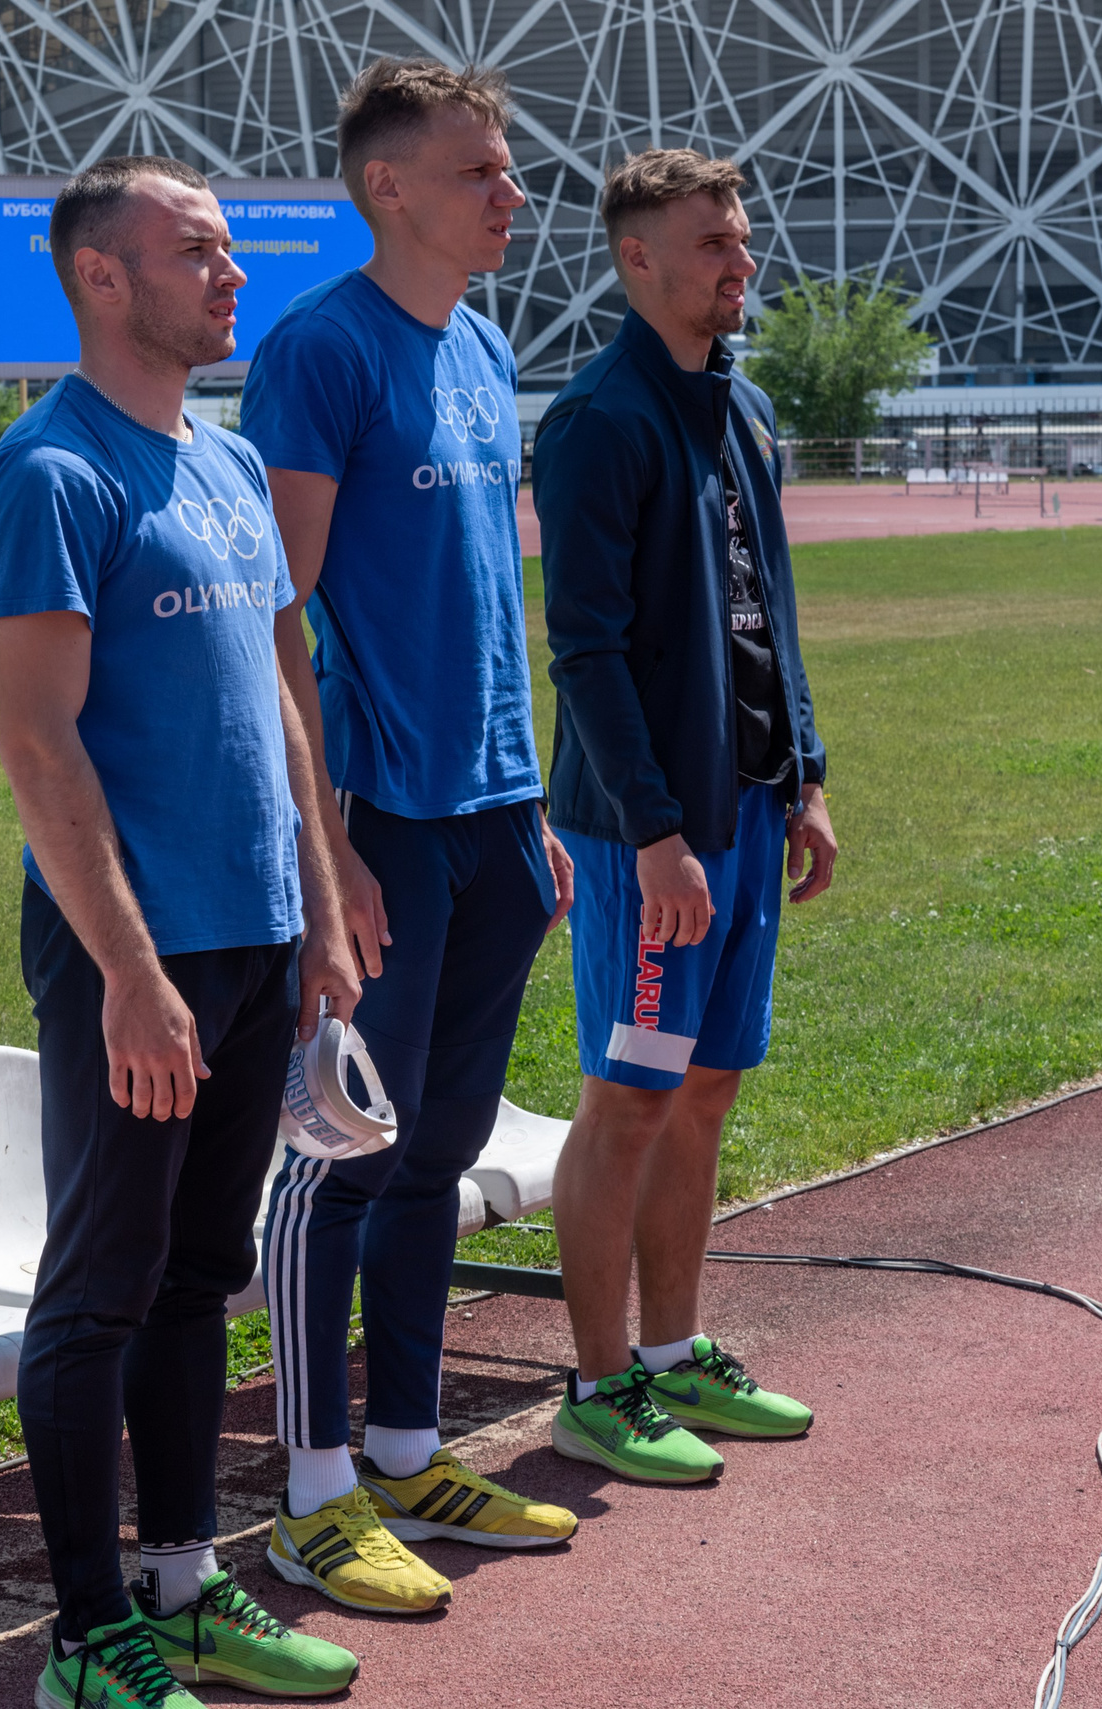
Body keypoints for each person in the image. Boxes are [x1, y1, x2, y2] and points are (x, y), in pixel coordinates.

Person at [0, 155, 363, 1709]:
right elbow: (37, 745)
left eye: (230, 252)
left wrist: (322, 905)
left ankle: (187, 1584)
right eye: (196, 251)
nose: (232, 275)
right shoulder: (51, 474)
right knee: (103, 1284)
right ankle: (87, 1640)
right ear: (101, 278)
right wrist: (131, 974)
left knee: (203, 1273)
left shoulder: (235, 466)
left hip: (257, 938)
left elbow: (279, 700)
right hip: (133, 952)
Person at [239, 57, 579, 1616]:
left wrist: (533, 803)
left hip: (494, 812)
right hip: (382, 817)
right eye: (481, 173)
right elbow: (280, 617)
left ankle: (405, 1442)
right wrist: (333, 844)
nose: (513, 194)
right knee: (350, 1154)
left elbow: (490, 603)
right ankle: (313, 1496)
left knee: (441, 1151)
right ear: (388, 188)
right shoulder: (323, 353)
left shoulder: (485, 342)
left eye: (508, 171)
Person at [532, 149, 837, 1485]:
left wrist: (808, 773)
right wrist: (655, 834)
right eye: (711, 243)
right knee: (631, 1099)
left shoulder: (744, 410)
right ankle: (596, 1382)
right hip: (651, 835)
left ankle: (671, 1353)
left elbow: (769, 607)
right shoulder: (601, 420)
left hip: (748, 814)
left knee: (706, 1091)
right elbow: (587, 651)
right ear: (636, 258)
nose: (739, 263)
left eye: (742, 239)